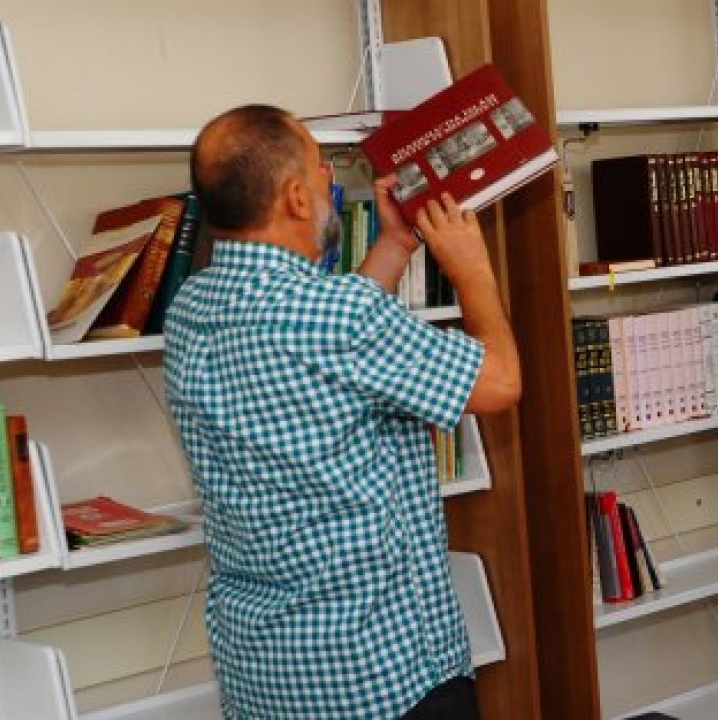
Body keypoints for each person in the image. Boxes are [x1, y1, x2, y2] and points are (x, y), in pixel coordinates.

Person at [164, 104, 520, 719]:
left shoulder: (189, 309)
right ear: (296, 198)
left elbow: (334, 348)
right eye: (321, 167)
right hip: (383, 678)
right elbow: (500, 383)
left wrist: (395, 245)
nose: (331, 177)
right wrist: (474, 272)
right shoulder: (337, 318)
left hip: (267, 676)